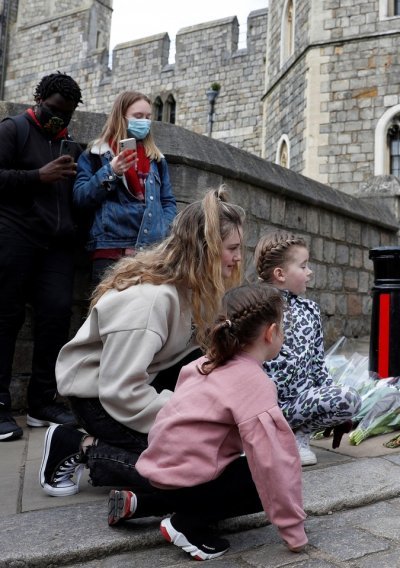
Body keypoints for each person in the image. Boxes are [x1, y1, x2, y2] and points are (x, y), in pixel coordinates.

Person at [38, 187, 244, 497]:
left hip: (135, 384)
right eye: (232, 248)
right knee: (189, 469)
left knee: (211, 451)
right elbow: (121, 390)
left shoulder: (195, 288)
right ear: (205, 248)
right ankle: (77, 446)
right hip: (98, 399)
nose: (239, 257)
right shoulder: (150, 301)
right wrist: (186, 419)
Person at [110, 283, 307, 561]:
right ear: (270, 332)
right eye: (282, 327)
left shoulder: (203, 363)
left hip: (159, 471)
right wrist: (294, 531)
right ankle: (186, 525)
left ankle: (142, 503)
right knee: (262, 476)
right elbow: (273, 462)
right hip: (188, 481)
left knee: (228, 465)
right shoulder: (253, 382)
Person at [0, 72, 83, 442]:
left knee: (55, 316)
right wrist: (38, 176)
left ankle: (41, 402)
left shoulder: (69, 144)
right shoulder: (13, 130)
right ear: (38, 100)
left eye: (66, 114)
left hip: (58, 247)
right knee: (6, 317)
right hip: (15, 235)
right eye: (53, 110)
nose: (58, 119)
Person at [255, 231, 360, 466]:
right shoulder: (255, 307)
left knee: (350, 399)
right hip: (261, 406)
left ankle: (297, 436)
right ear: (280, 274)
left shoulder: (310, 310)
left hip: (300, 403)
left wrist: (336, 409)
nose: (309, 272)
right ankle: (263, 438)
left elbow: (317, 365)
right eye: (303, 266)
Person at [73, 91, 177, 290]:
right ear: (121, 117)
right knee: (107, 314)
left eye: (148, 118)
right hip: (111, 250)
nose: (145, 122)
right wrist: (111, 171)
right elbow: (81, 198)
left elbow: (168, 201)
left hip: (150, 252)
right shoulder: (96, 155)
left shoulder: (156, 159)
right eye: (138, 117)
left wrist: (163, 227)